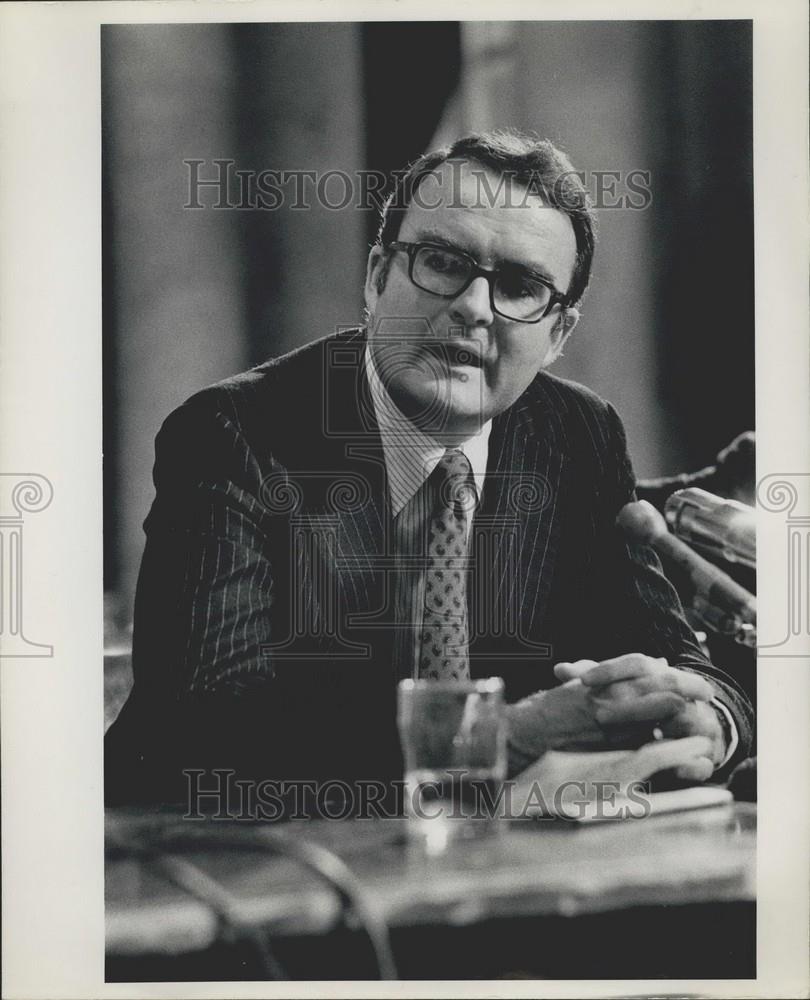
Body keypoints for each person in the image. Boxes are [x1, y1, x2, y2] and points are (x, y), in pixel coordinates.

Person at [105, 131, 753, 806]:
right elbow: (204, 728)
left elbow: (681, 660)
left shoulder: (580, 435)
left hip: (504, 868)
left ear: (557, 334)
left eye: (520, 286)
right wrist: (498, 739)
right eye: (443, 262)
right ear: (377, 277)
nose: (473, 307)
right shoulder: (235, 433)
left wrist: (708, 720)